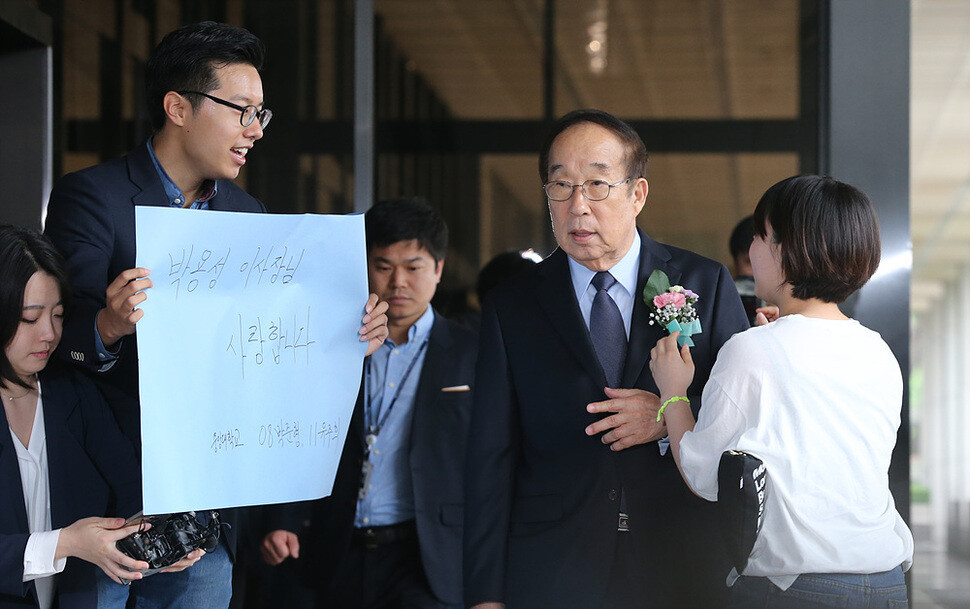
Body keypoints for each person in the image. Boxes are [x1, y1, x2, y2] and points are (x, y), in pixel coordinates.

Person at [43, 21, 388, 609]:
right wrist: (108, 325)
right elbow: (54, 335)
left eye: (262, 114)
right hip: (108, 497)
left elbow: (263, 351)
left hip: (204, 512)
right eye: (241, 111)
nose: (254, 130)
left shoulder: (246, 211)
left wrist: (342, 339)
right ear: (178, 107)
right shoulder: (93, 196)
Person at [463, 109, 750, 609]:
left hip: (679, 555)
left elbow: (745, 412)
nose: (578, 206)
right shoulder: (512, 304)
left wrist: (669, 415)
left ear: (637, 194)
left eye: (598, 184)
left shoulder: (703, 282)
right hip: (554, 564)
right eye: (560, 186)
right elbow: (490, 454)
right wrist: (485, 591)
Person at [649, 175, 914, 608]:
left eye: (761, 235)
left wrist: (673, 393)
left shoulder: (752, 351)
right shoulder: (877, 349)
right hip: (885, 583)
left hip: (798, 588)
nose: (753, 249)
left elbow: (703, 476)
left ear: (789, 251)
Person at [261, 198, 477, 608]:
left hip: (426, 555)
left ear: (439, 269)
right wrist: (281, 520)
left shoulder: (473, 354)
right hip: (333, 547)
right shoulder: (324, 346)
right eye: (383, 266)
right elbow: (290, 433)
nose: (398, 282)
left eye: (413, 267)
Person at [0, 226, 201, 609]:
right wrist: (67, 542)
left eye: (58, 315)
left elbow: (128, 483)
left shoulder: (69, 390)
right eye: (30, 318)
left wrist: (161, 531)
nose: (49, 334)